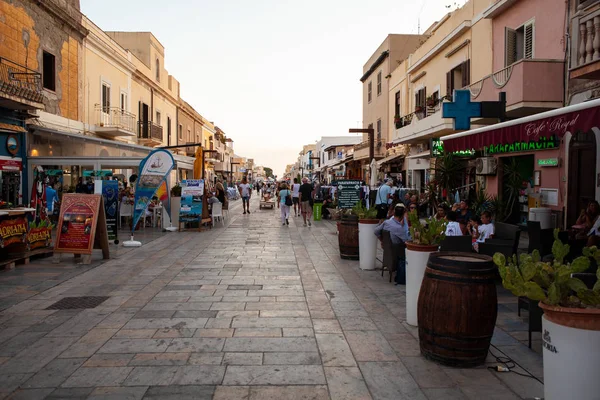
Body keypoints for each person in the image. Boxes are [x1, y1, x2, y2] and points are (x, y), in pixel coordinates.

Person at [374, 204, 410, 285]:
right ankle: (403, 278)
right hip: (397, 251)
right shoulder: (399, 228)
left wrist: (382, 240)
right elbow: (407, 239)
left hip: (389, 249)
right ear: (403, 214)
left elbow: (376, 231)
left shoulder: (387, 222)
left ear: (394, 212)